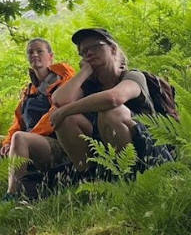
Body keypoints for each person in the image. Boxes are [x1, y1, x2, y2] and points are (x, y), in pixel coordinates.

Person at [48, 28, 170, 177]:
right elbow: (59, 101)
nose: (89, 54)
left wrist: (65, 110)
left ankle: (128, 178)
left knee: (111, 112)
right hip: (107, 151)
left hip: (150, 152)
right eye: (84, 52)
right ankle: (90, 179)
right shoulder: (90, 85)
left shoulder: (133, 76)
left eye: (94, 47)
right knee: (66, 120)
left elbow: (113, 98)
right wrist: (84, 72)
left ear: (112, 49)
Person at [0, 38, 75, 199]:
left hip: (54, 145)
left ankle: (12, 193)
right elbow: (18, 122)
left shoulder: (63, 82)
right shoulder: (29, 90)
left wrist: (24, 137)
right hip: (23, 141)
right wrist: (9, 142)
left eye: (40, 51)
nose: (34, 55)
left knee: (20, 138)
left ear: (50, 56)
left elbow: (53, 116)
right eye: (31, 52)